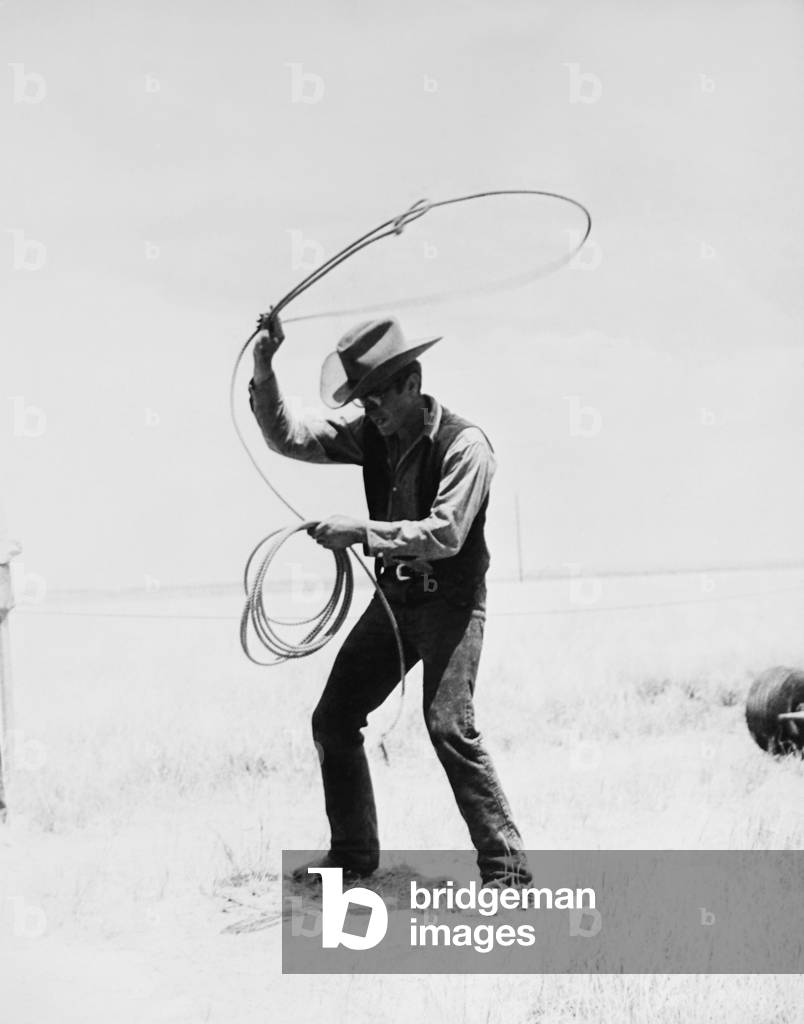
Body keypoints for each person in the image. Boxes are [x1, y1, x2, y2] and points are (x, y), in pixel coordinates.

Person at [249, 313, 531, 887]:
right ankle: (353, 856)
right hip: (396, 603)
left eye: (377, 394)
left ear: (412, 382)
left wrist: (363, 531)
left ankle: (508, 875)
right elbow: (290, 436)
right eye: (360, 396)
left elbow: (446, 534)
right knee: (333, 719)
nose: (368, 407)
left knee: (449, 726)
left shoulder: (466, 446)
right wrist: (264, 365)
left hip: (450, 604)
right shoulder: (371, 434)